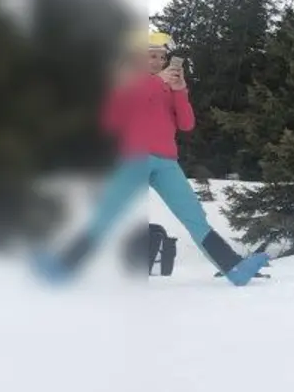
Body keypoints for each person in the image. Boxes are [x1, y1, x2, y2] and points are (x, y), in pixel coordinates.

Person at [33, 28, 268, 285]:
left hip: (166, 163)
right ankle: (61, 268)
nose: (158, 61)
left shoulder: (167, 87)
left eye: (162, 57)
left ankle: (234, 269)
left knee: (195, 217)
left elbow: (186, 124)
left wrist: (180, 90)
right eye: (151, 56)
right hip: (134, 159)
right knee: (106, 216)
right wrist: (158, 82)